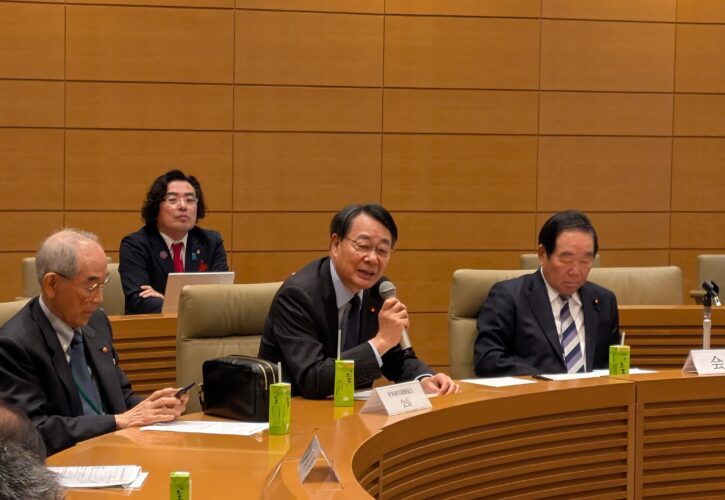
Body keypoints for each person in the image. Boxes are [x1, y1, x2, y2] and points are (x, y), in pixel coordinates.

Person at [0, 229, 189, 455]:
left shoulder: (97, 322)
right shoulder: (14, 344)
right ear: (52, 284)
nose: (99, 298)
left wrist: (156, 408)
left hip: (115, 453)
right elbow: (33, 431)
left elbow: (120, 398)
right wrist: (117, 422)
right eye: (91, 286)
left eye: (103, 283)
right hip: (61, 463)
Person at [259, 204, 459, 398]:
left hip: (352, 411)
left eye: (382, 250)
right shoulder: (298, 295)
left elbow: (394, 358)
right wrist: (381, 341)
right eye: (363, 246)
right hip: (294, 411)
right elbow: (313, 379)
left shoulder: (378, 290)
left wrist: (423, 378)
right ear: (335, 244)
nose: (372, 259)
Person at [474, 210, 620, 376]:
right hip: (533, 391)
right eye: (567, 259)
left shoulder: (604, 300)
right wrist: (550, 380)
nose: (576, 271)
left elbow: (610, 365)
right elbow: (488, 360)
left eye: (585, 260)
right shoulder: (509, 296)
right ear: (542, 254)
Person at [119, 169, 228, 314]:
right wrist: (197, 306)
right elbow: (138, 302)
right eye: (172, 200)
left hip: (203, 326)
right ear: (156, 207)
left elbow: (222, 297)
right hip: (155, 326)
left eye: (190, 200)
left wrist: (168, 302)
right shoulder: (135, 245)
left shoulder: (211, 242)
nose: (183, 206)